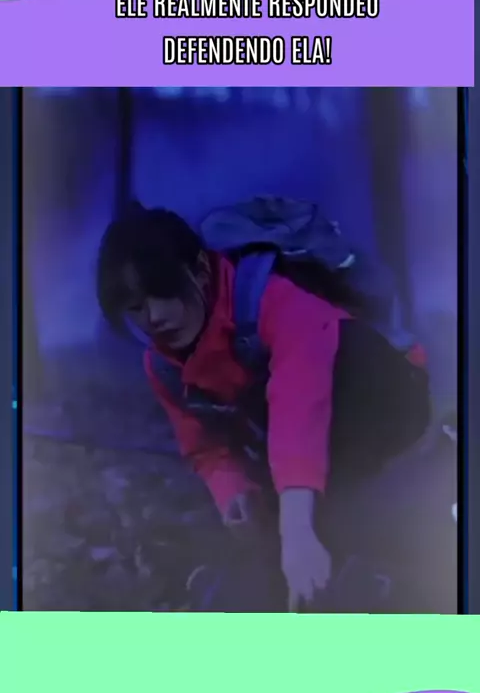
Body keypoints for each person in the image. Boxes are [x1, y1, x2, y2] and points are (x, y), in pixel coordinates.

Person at [96, 204, 431, 612]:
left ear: (199, 270)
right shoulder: (163, 366)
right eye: (135, 307)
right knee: (283, 524)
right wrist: (232, 491)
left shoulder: (274, 299)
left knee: (318, 519)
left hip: (387, 397)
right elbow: (205, 447)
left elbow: (298, 406)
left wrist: (297, 532)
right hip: (313, 441)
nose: (154, 317)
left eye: (164, 292)